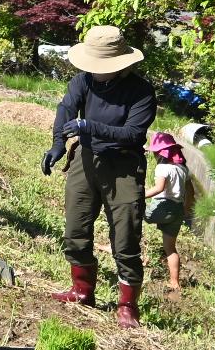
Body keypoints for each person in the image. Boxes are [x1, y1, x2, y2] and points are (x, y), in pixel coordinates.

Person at [42, 24, 155, 326]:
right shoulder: (82, 81)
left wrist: (89, 127)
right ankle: (82, 291)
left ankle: (128, 305)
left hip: (123, 166)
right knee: (75, 229)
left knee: (125, 236)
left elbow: (132, 133)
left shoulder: (141, 91)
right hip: (86, 159)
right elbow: (65, 111)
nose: (95, 71)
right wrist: (56, 146)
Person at [145, 131, 190, 294]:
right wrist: (185, 209)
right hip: (177, 209)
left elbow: (159, 188)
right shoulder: (183, 169)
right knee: (170, 248)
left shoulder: (162, 167)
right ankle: (174, 282)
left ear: (160, 153)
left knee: (137, 211)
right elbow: (190, 193)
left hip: (163, 205)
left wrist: (138, 196)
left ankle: (128, 246)